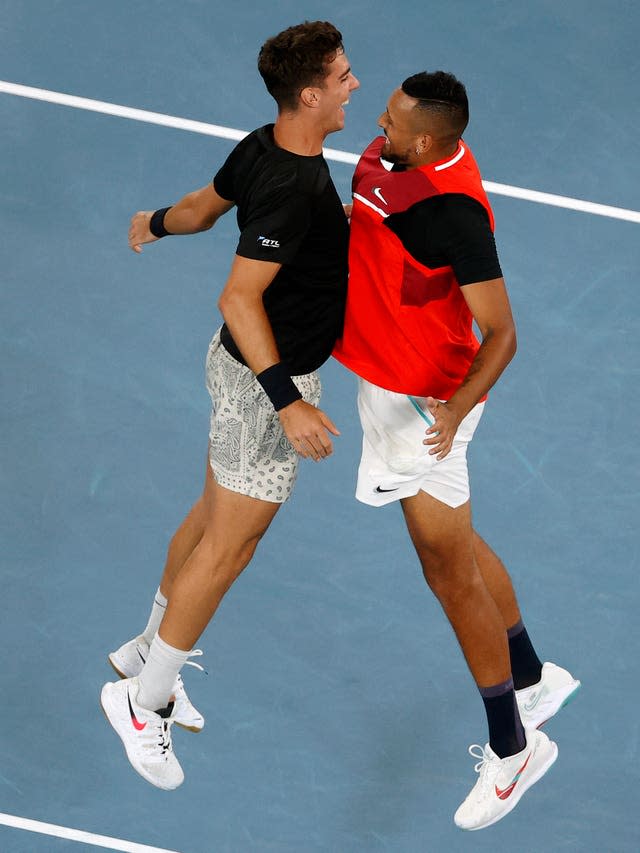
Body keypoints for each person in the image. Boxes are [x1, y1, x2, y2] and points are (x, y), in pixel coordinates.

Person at [100, 20, 359, 790]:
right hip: (263, 382)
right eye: (342, 76)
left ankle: (148, 649)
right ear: (309, 94)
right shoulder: (295, 187)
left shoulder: (263, 144)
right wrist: (287, 404)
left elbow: (203, 207)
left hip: (235, 371)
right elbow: (239, 295)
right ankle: (143, 704)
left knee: (211, 519)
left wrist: (153, 223)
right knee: (230, 548)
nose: (353, 85)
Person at [333, 71, 580, 831]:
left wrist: (456, 407)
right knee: (456, 539)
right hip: (388, 375)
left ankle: (513, 747)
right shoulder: (392, 154)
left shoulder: (456, 214)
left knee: (444, 565)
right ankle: (534, 674)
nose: (377, 121)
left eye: (395, 120)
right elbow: (374, 213)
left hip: (426, 400)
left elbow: (503, 333)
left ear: (429, 141)